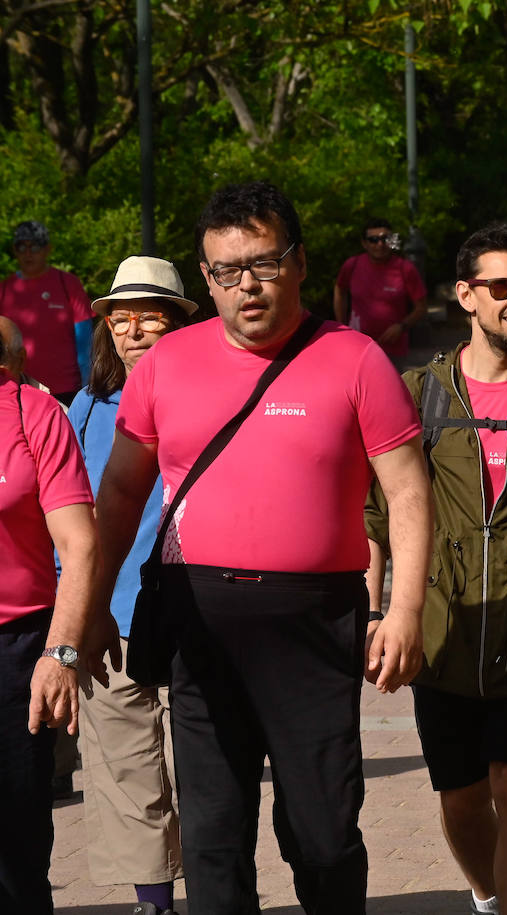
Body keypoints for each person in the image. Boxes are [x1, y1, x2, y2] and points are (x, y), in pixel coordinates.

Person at [91, 181, 433, 915]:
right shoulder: (165, 364)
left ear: (300, 262)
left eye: (263, 263)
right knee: (213, 834)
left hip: (315, 622)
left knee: (324, 831)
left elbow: (407, 491)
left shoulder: (356, 359)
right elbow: (119, 497)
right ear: (205, 276)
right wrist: (87, 606)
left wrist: (403, 610)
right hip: (198, 619)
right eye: (225, 269)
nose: (245, 284)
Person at [365, 224, 507, 915]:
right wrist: (375, 614)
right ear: (465, 295)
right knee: (458, 794)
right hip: (444, 630)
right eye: (503, 286)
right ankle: (488, 896)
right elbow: (377, 515)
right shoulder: (419, 393)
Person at [68, 256, 195, 915]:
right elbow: (68, 514)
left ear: (179, 324)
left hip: (202, 612)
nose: (135, 330)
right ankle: (156, 904)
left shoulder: (212, 397)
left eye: (152, 317)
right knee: (127, 769)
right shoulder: (86, 407)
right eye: (122, 318)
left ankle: (220, 890)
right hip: (109, 616)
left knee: (208, 768)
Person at [0, 310, 100, 914]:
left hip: (15, 653)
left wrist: (59, 653)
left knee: (16, 844)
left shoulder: (31, 412)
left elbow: (80, 543)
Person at [0, 220, 94, 404]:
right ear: (14, 250)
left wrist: (88, 392)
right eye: (21, 246)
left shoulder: (68, 284)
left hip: (67, 391)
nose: (28, 253)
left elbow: (86, 344)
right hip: (17, 390)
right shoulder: (5, 290)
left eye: (34, 246)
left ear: (47, 249)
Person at [332, 217, 427, 362]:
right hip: (357, 347)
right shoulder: (352, 265)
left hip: (393, 352)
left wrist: (401, 326)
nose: (380, 244)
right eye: (373, 240)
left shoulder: (405, 268)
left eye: (385, 239)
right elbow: (340, 289)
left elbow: (421, 307)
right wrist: (342, 325)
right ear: (364, 243)